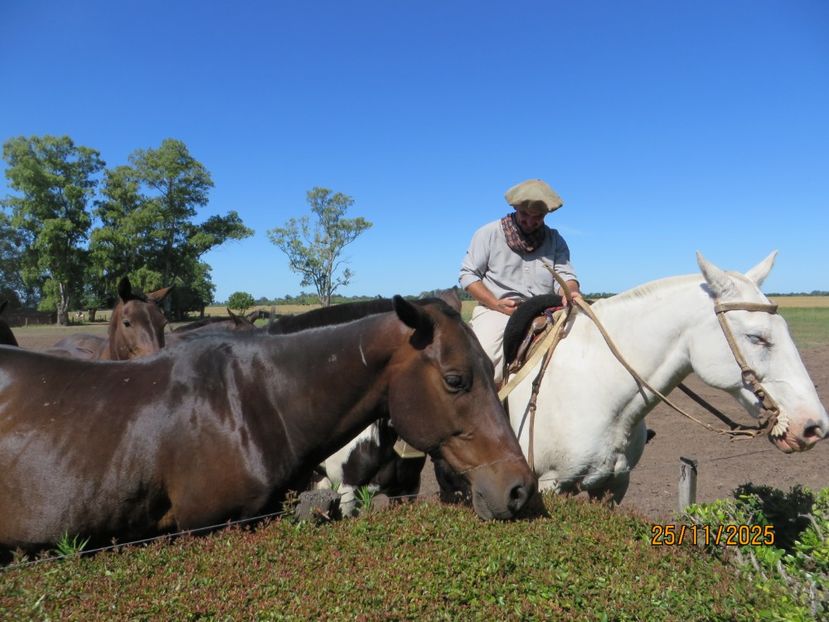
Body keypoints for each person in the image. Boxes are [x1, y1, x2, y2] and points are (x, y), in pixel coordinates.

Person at [459, 178, 581, 384]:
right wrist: (495, 303)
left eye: (538, 217)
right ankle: (490, 400)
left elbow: (566, 276)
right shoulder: (488, 234)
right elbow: (468, 275)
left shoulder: (555, 240)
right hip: (498, 311)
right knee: (486, 359)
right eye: (525, 214)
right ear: (515, 207)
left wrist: (571, 292)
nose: (530, 222)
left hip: (545, 310)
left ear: (546, 214)